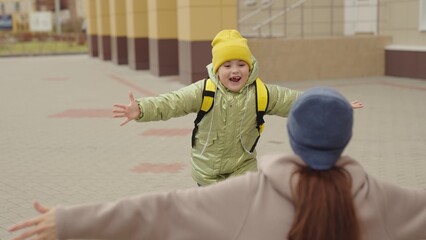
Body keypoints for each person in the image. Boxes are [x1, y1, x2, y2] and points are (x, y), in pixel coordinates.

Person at [9, 86, 425, 240]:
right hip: (213, 166)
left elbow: (161, 212)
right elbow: (175, 102)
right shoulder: (387, 202)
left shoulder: (248, 196)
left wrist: (70, 222)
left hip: (228, 174)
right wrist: (144, 111)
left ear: (293, 137)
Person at [112, 29, 364, 186]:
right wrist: (142, 109)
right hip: (206, 171)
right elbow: (172, 102)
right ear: (217, 69)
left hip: (243, 168)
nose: (235, 70)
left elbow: (295, 101)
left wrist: (334, 105)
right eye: (228, 65)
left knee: (241, 217)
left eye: (241, 64)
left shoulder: (262, 93)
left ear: (250, 66)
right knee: (214, 221)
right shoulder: (204, 90)